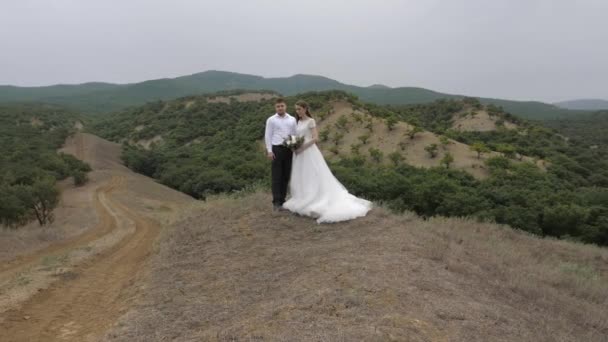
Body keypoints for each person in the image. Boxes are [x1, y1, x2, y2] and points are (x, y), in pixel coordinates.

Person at [282, 100, 372, 223]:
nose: (297, 111)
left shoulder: (310, 121)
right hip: (299, 154)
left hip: (308, 152)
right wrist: (294, 145)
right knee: (303, 176)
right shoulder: (298, 121)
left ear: (305, 109)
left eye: (299, 109)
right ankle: (303, 196)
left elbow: (315, 138)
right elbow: (297, 137)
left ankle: (315, 198)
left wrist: (302, 147)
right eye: (296, 109)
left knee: (314, 174)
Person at [264, 98, 297, 210]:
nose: (280, 108)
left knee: (286, 176)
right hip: (276, 149)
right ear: (275, 107)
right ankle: (276, 202)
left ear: (285, 106)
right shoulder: (271, 120)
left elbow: (294, 134)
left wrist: (293, 147)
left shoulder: (292, 119)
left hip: (288, 149)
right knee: (276, 176)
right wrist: (269, 150)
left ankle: (283, 200)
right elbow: (268, 135)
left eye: (282, 106)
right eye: (278, 106)